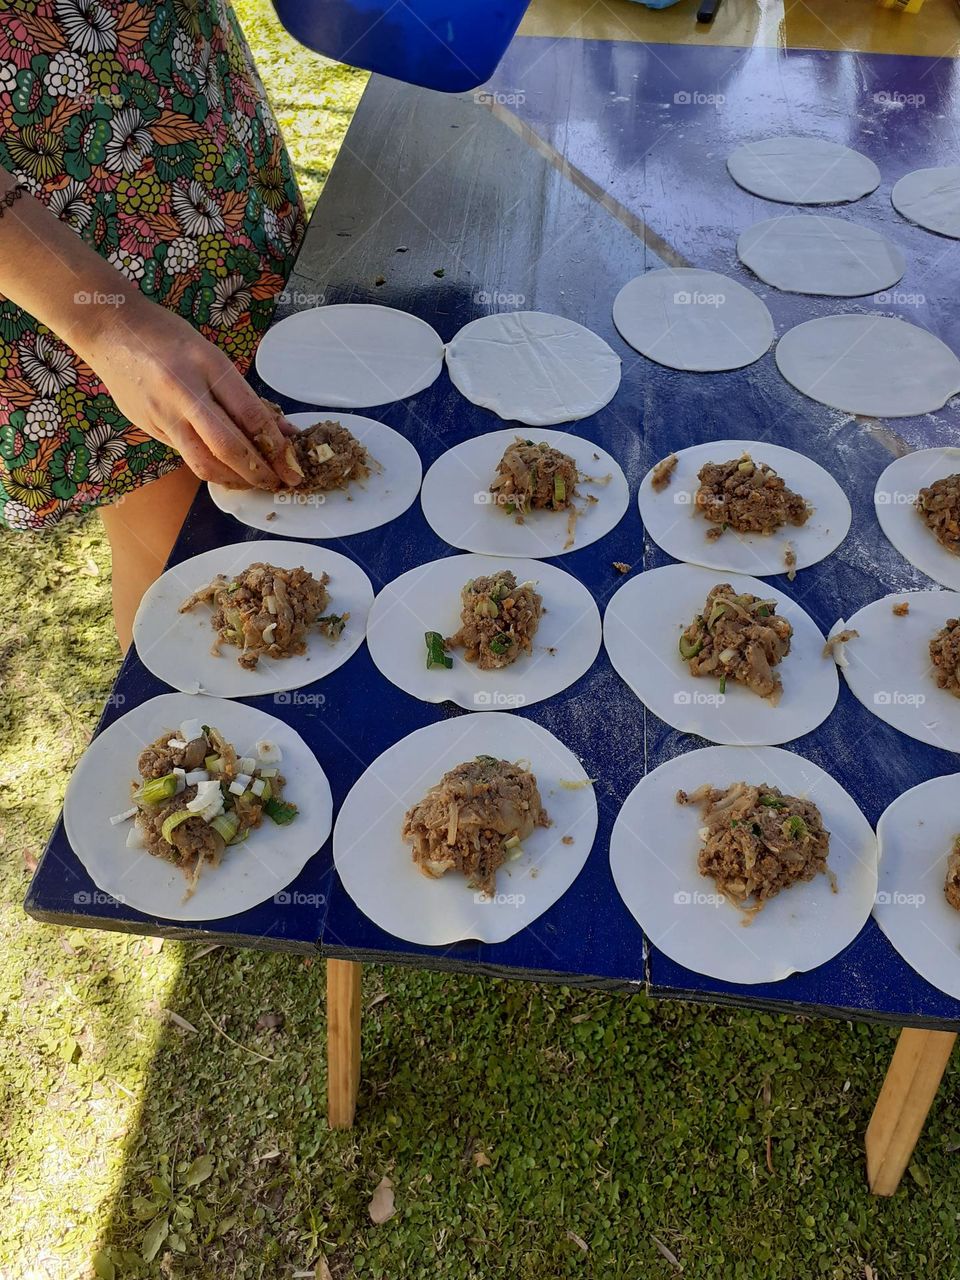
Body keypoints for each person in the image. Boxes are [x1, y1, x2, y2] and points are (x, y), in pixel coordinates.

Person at [0, 1, 307, 650]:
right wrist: (112, 325)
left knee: (313, 509)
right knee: (199, 578)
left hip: (208, 159)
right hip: (68, 269)